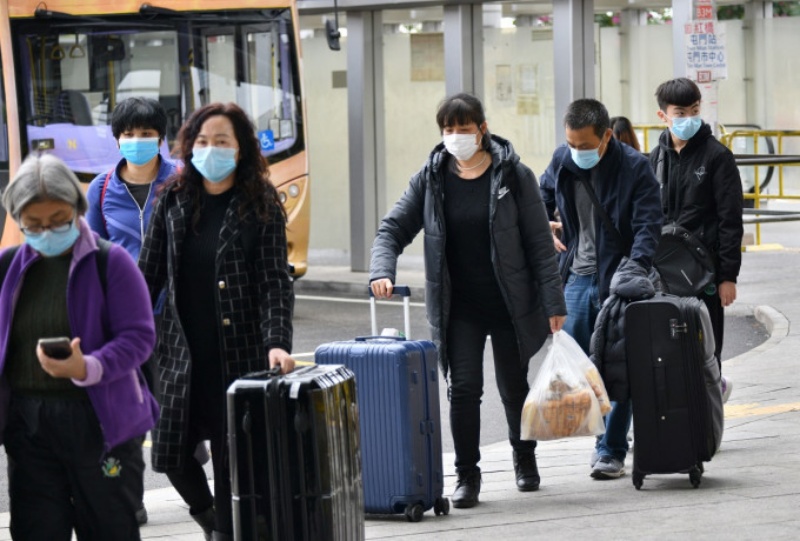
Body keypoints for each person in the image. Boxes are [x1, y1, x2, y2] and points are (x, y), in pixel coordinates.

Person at [370, 93, 567, 509]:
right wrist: (381, 269)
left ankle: (524, 458)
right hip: (459, 306)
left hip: (510, 302)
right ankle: (467, 476)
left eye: (464, 128)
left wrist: (553, 303)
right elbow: (392, 228)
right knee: (462, 390)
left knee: (514, 388)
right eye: (448, 130)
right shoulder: (431, 177)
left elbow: (537, 242)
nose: (456, 137)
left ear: (482, 128)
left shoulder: (513, 175)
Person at [138, 102, 295, 540]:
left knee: (233, 467)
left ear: (241, 149)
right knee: (169, 453)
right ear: (190, 146)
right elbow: (146, 274)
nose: (211, 150)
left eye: (222, 142)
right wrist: (116, 326)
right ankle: (208, 519)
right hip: (179, 354)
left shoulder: (260, 204)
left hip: (238, 356)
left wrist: (277, 341)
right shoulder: (172, 198)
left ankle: (226, 531)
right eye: (203, 141)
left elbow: (274, 284)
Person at [0, 153, 158, 540]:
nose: (46, 232)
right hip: (29, 426)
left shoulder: (112, 262)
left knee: (109, 528)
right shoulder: (6, 267)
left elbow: (139, 338)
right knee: (36, 529)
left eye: (58, 221)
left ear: (77, 209)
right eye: (33, 224)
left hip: (101, 423)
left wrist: (86, 366)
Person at [540, 98, 662, 480]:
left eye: (585, 146)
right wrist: (543, 224)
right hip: (576, 276)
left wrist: (636, 269)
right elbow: (540, 198)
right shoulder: (562, 160)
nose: (577, 153)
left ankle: (610, 449)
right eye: (572, 144)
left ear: (607, 136)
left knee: (618, 362)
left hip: (619, 279)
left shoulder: (634, 167)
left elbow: (648, 224)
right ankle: (595, 430)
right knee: (577, 361)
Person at [85, 96, 180, 526]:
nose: (137, 141)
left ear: (161, 136)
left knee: (177, 407)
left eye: (145, 133)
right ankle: (131, 500)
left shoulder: (182, 181)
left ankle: (187, 448)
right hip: (124, 318)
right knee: (127, 412)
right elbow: (91, 251)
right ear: (117, 138)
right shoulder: (101, 188)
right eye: (128, 134)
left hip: (178, 313)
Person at [650, 77, 743, 403]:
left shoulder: (717, 157)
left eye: (694, 109)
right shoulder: (655, 158)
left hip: (705, 274)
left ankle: (708, 423)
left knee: (706, 352)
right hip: (664, 276)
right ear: (663, 115)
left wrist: (728, 275)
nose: (689, 117)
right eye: (680, 111)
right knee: (669, 352)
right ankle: (682, 422)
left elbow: (730, 219)